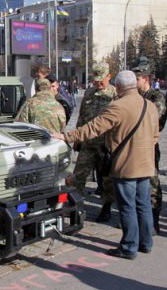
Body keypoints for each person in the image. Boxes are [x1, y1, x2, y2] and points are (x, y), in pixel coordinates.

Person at [52, 70, 159, 260]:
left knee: (127, 207)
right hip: (146, 165)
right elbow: (155, 137)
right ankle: (146, 243)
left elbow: (93, 128)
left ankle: (128, 247)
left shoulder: (118, 106)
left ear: (117, 86)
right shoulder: (149, 106)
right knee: (143, 204)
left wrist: (67, 136)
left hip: (126, 166)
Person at [72, 63, 116, 224]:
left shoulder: (115, 95)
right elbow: (82, 117)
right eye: (96, 80)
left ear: (109, 76)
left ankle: (106, 208)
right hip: (88, 144)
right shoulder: (89, 93)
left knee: (106, 180)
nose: (98, 84)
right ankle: (76, 208)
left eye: (101, 80)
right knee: (78, 176)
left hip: (105, 145)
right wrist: (77, 139)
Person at [133, 60, 166, 234]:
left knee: (152, 182)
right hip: (136, 145)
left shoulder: (156, 97)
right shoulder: (136, 97)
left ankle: (154, 220)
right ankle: (140, 219)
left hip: (150, 145)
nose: (134, 82)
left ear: (145, 78)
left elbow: (153, 120)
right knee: (138, 182)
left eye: (136, 79)